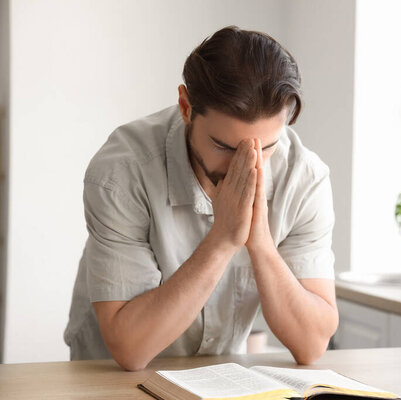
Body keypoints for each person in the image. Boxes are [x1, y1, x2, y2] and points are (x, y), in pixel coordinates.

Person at [63, 26, 339, 371]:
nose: (247, 165)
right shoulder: (122, 172)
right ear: (185, 107)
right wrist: (222, 240)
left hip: (217, 380)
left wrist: (261, 244)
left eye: (266, 147)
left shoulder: (305, 178)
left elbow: (312, 344)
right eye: (224, 147)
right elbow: (130, 349)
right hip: (106, 378)